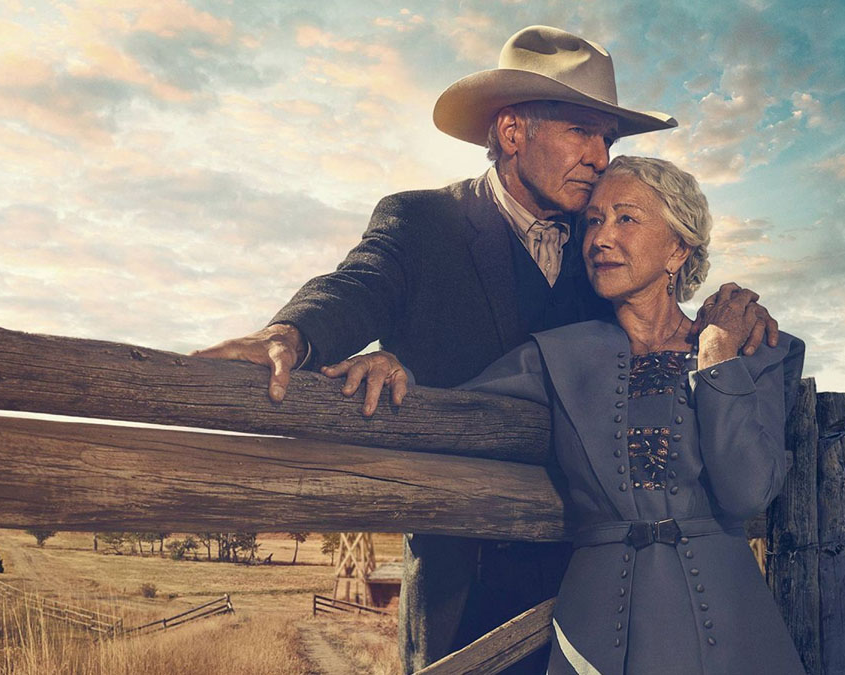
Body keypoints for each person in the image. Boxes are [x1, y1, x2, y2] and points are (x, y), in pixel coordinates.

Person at [194, 26, 784, 673]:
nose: (598, 154)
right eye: (582, 131)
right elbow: (359, 285)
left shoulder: (605, 256)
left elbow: (655, 345)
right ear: (512, 133)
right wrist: (293, 334)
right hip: (460, 579)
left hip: (588, 589)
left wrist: (725, 334)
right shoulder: (423, 222)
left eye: (607, 139)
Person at [336, 156, 807, 673]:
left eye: (626, 218)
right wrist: (395, 363)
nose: (600, 238)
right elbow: (453, 410)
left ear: (678, 247)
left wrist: (716, 358)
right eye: (593, 221)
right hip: (597, 623)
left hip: (729, 622)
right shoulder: (555, 355)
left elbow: (747, 491)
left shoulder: (752, 348)